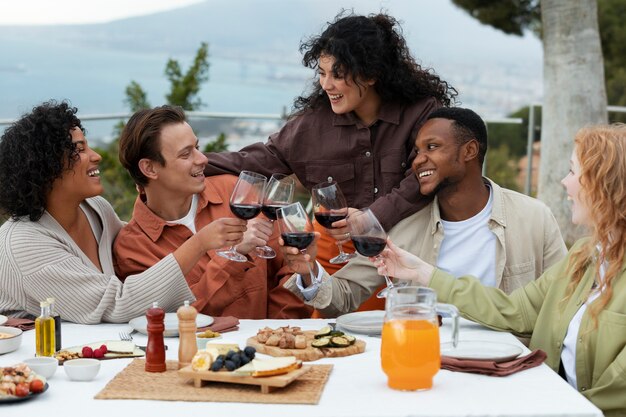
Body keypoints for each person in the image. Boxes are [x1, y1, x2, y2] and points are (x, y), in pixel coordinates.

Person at [203, 12, 457, 310]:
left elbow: (423, 179)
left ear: (371, 74)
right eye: (322, 73)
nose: (326, 84)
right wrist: (193, 163)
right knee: (331, 343)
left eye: (337, 74)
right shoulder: (311, 125)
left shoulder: (422, 112)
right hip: (336, 261)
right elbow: (260, 159)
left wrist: (369, 219)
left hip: (408, 254)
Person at [374, 124, 626, 415]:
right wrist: (422, 273)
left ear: (604, 183)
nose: (564, 182)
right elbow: (515, 310)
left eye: (573, 171)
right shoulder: (584, 255)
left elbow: (612, 397)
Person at [281, 107, 566, 317]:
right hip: (425, 355)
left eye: (432, 147)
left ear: (469, 151)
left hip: (510, 365)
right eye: (416, 151)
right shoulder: (403, 227)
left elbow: (563, 300)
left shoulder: (534, 218)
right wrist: (308, 271)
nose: (418, 160)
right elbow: (342, 297)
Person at [0, 101, 246, 324]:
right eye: (80, 149)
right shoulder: (24, 244)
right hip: (31, 361)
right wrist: (200, 242)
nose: (96, 156)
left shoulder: (96, 209)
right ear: (46, 167)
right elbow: (117, 304)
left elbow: (140, 239)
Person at [113, 105, 312, 319]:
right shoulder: (133, 249)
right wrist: (234, 255)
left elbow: (292, 266)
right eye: (186, 154)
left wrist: (273, 330)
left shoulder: (235, 192)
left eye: (197, 147)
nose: (203, 159)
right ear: (149, 169)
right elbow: (179, 318)